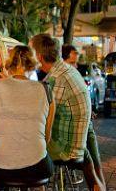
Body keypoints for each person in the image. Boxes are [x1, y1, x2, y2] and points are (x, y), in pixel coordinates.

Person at [0, 45, 55, 191]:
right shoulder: (46, 90)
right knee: (41, 166)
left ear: (10, 63)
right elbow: (47, 137)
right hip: (38, 166)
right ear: (32, 63)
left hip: (2, 165)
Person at [30, 34, 105, 191]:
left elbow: (38, 117)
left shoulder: (54, 80)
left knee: (26, 145)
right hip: (80, 142)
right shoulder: (68, 70)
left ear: (38, 56)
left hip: (66, 150)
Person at [62, 43, 106, 187]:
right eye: (72, 62)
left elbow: (82, 98)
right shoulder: (59, 77)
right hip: (71, 128)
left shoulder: (74, 74)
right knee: (90, 161)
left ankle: (101, 187)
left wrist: (89, 110)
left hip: (85, 123)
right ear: (63, 60)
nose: (75, 66)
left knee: (96, 158)